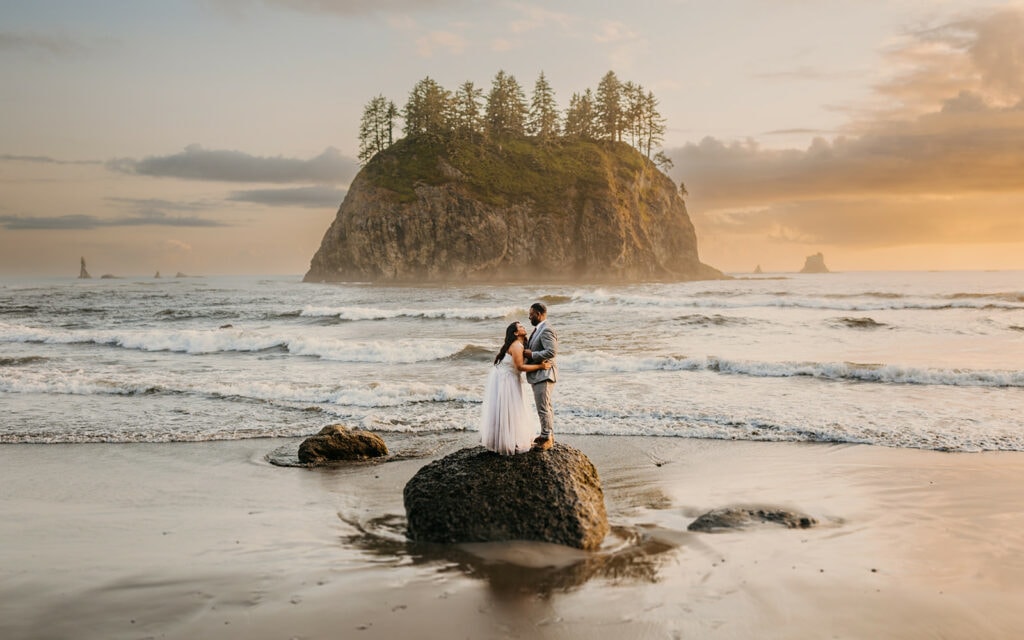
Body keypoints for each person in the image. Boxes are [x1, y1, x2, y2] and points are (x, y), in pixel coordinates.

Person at [480, 321, 552, 455]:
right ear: (515, 333)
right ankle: (509, 441)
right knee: (511, 409)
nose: (524, 327)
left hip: (506, 377)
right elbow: (520, 367)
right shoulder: (516, 346)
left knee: (508, 410)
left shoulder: (520, 345)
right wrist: (541, 367)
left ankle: (505, 439)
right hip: (507, 379)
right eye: (520, 327)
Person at [523, 301, 557, 451]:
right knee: (546, 406)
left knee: (543, 407)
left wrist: (532, 354)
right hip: (539, 374)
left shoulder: (546, 329)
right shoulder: (539, 329)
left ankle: (546, 437)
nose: (529, 318)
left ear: (538, 314)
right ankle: (548, 434)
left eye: (531, 315)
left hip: (545, 374)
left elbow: (551, 352)